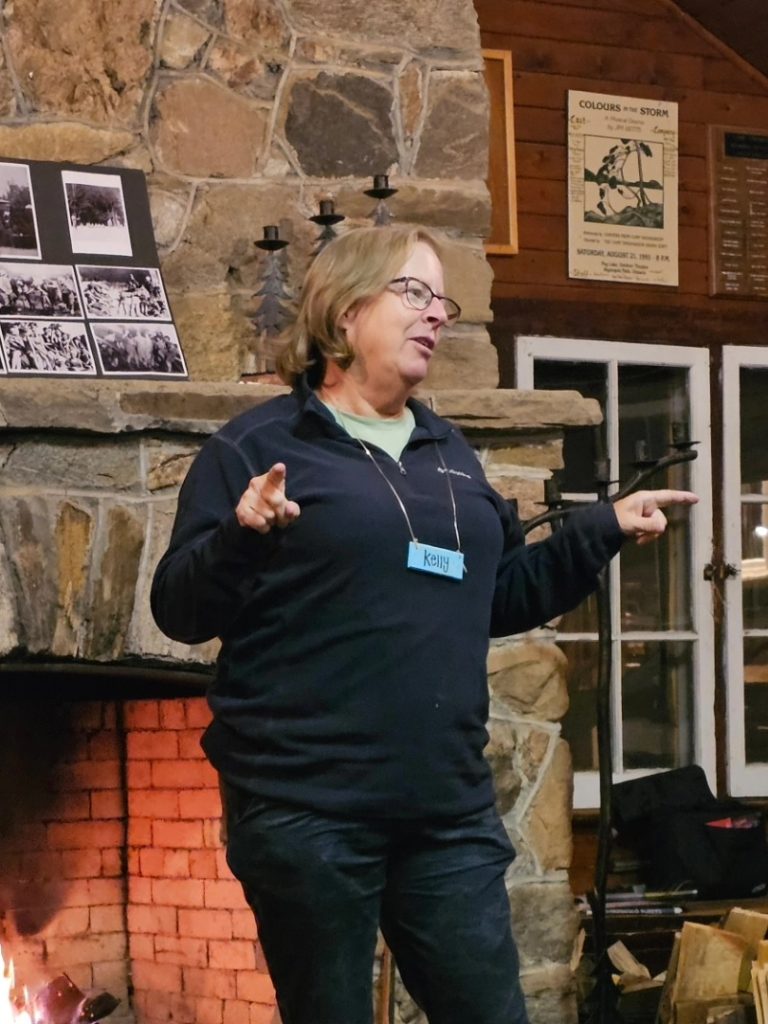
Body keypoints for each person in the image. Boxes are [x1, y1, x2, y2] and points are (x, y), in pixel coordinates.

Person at [150, 224, 697, 1024]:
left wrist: (601, 527)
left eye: (441, 300)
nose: (436, 314)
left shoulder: (449, 454)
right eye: (413, 292)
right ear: (343, 313)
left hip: (445, 812)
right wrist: (240, 535)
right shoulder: (259, 446)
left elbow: (500, 594)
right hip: (308, 814)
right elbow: (177, 608)